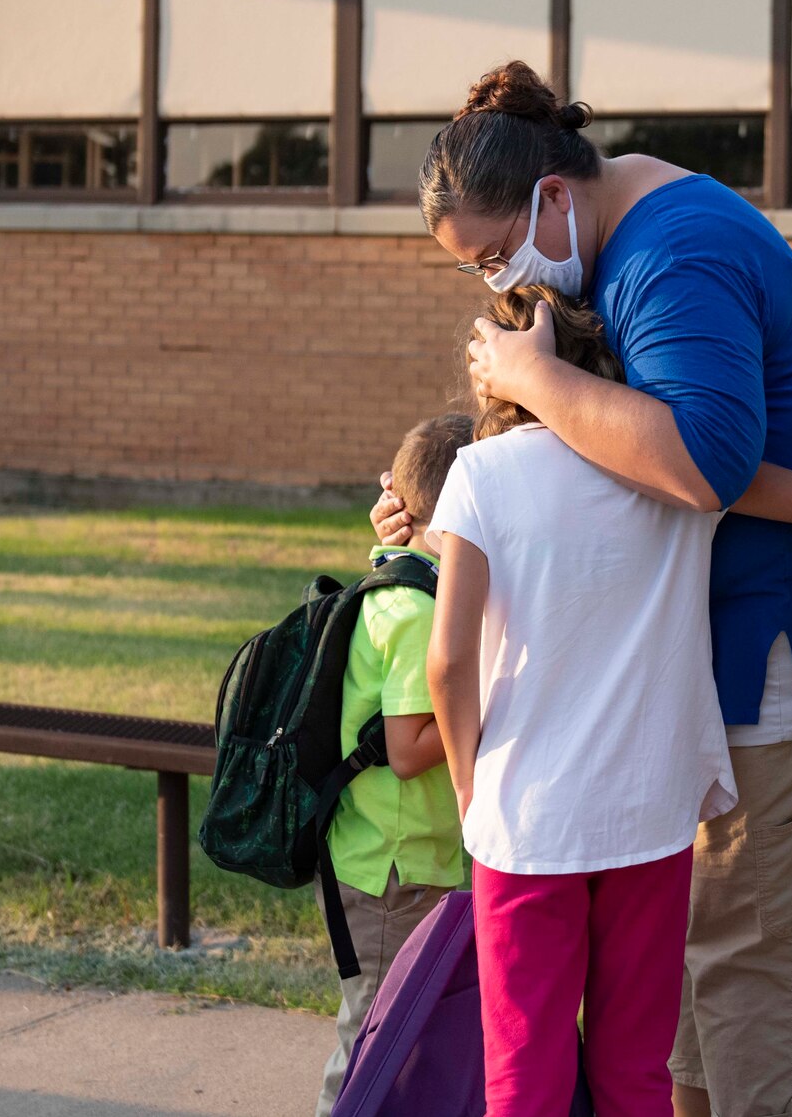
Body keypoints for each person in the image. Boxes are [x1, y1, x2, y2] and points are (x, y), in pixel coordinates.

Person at [372, 61, 792, 1117]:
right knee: (678, 1010)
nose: (498, 286)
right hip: (680, 696)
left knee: (747, 987)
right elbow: (609, 456)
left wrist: (529, 381)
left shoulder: (673, 251)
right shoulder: (620, 242)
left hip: (763, 670)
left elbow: (698, 461)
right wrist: (444, 504)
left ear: (554, 193)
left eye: (496, 254)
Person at [425, 285, 736, 1117]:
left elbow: (449, 660)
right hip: (650, 806)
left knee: (524, 1076)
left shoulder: (483, 472)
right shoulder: (679, 474)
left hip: (525, 811)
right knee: (638, 1074)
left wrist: (467, 781)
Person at [314, 413, 473, 1117]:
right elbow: (408, 749)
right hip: (390, 871)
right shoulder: (411, 609)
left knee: (398, 1030)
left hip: (400, 861)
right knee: (373, 1034)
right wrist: (489, 703)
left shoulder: (412, 583)